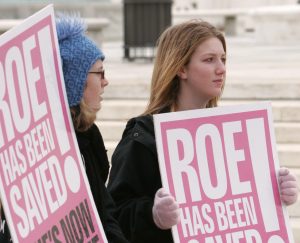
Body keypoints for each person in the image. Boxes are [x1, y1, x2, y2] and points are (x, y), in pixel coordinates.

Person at [107, 19, 299, 243]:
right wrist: (152, 215)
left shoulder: (233, 134)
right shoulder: (143, 137)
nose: (222, 69)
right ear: (180, 68)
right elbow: (113, 213)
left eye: (223, 59)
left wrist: (275, 194)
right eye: (209, 60)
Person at [55, 14, 130, 243]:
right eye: (100, 73)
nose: (105, 81)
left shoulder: (89, 135)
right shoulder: (48, 146)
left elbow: (104, 213)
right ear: (74, 82)